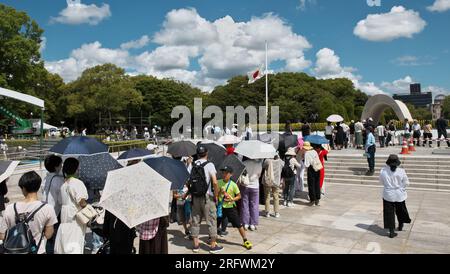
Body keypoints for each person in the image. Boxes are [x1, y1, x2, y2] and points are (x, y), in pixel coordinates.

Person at [0, 171, 58, 254]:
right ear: (38, 187)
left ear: (23, 188)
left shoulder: (10, 208)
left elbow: (2, 235)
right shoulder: (47, 208)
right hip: (37, 250)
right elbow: (48, 234)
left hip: (14, 251)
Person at [187, 146, 223, 253]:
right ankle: (212, 246)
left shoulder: (191, 164)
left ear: (197, 154)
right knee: (211, 220)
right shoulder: (210, 165)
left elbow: (188, 181)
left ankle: (196, 246)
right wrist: (216, 196)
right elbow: (215, 182)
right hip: (207, 197)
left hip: (195, 197)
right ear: (207, 153)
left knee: (195, 221)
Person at [54, 158, 89, 254]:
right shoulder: (77, 183)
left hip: (64, 221)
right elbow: (81, 201)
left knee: (64, 247)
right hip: (75, 222)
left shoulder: (63, 185)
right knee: (75, 247)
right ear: (75, 169)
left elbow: (61, 202)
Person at [216, 166, 253, 250]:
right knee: (215, 224)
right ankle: (212, 238)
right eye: (223, 172)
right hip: (221, 207)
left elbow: (239, 196)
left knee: (238, 224)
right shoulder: (218, 182)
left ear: (231, 174)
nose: (224, 174)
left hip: (231, 208)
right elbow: (215, 195)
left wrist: (232, 199)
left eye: (226, 173)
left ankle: (245, 240)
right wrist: (219, 193)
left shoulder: (233, 185)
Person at [380, 155, 411, 238]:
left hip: (388, 194)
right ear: (397, 163)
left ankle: (391, 231)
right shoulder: (401, 171)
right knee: (400, 210)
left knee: (388, 213)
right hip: (399, 194)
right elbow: (407, 183)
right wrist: (402, 188)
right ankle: (400, 225)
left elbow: (381, 181)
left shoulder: (383, 171)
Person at [42, 155, 65, 254]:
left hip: (45, 210)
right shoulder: (58, 180)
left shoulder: (46, 178)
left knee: (49, 236)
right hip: (55, 212)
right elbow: (61, 199)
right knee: (53, 236)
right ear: (56, 167)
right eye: (60, 165)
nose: (61, 167)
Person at [240, 157, 262, 231]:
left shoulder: (244, 163)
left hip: (245, 185)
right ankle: (253, 224)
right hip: (255, 186)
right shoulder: (259, 164)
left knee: (244, 204)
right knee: (254, 205)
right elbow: (259, 175)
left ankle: (245, 223)